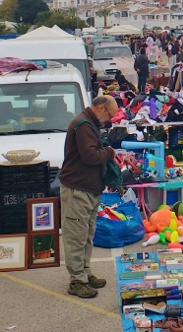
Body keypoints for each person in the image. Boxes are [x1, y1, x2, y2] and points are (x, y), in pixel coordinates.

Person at [59, 96, 118, 299]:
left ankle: (85, 272)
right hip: (78, 189)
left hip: (88, 189)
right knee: (76, 235)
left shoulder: (88, 123)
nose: (109, 119)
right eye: (109, 114)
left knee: (86, 235)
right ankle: (77, 280)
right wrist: (109, 153)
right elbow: (90, 156)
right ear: (101, 108)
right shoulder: (84, 125)